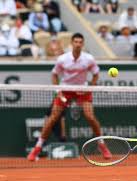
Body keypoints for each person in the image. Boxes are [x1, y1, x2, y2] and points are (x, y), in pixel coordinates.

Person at [27, 32, 112, 161]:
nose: (78, 44)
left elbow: (95, 74)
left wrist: (90, 88)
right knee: (53, 118)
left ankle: (102, 145)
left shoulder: (89, 59)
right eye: (75, 42)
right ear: (71, 43)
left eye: (80, 42)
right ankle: (37, 148)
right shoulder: (62, 59)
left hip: (82, 90)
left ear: (82, 44)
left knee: (90, 116)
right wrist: (58, 91)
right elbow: (55, 74)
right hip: (65, 90)